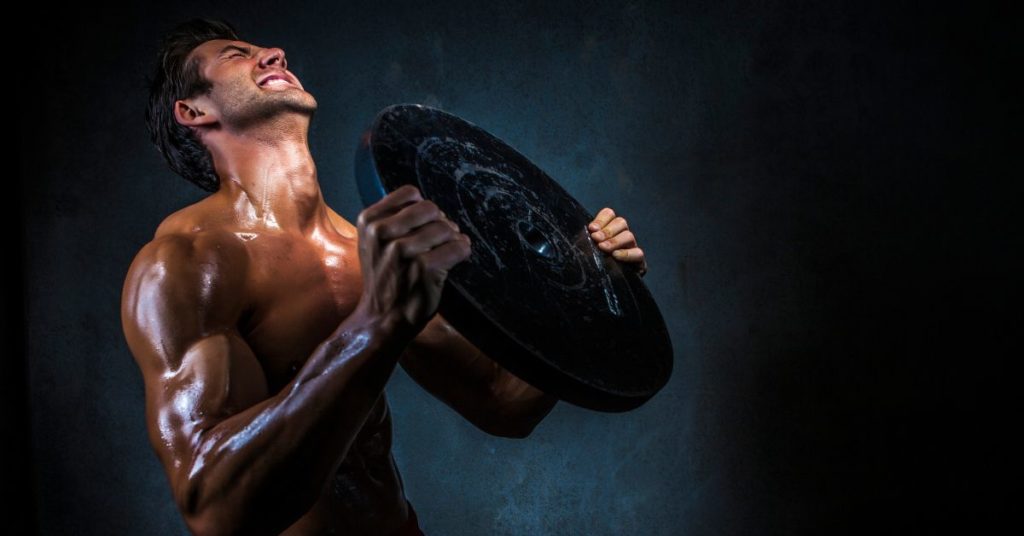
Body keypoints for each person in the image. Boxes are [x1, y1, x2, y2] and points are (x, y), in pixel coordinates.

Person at [121, 18, 650, 536]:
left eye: (265, 49)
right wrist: (376, 325)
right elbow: (214, 508)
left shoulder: (362, 250)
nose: (275, 53)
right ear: (194, 110)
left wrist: (582, 291)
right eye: (236, 55)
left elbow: (501, 402)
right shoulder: (189, 261)